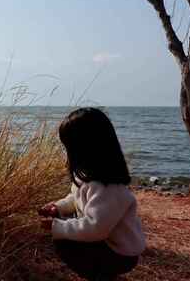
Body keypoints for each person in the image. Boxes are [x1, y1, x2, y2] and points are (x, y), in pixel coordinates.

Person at [39, 107, 146, 280]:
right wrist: (58, 208)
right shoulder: (89, 176)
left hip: (120, 253)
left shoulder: (108, 187)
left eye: (70, 148)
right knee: (67, 237)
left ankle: (102, 275)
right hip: (108, 243)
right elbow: (76, 198)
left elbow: (95, 228)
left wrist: (57, 226)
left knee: (64, 242)